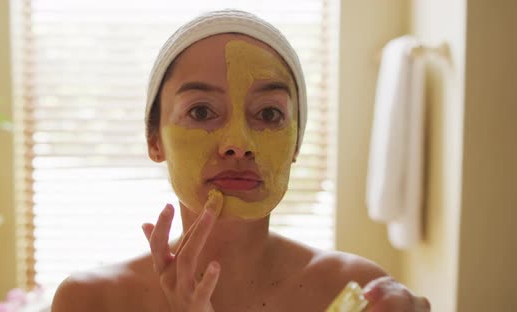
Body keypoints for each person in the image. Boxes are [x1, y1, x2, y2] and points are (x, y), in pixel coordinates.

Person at [51, 10, 430, 311]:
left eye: (268, 114)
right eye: (201, 112)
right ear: (154, 140)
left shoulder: (355, 294)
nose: (237, 144)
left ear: (296, 142)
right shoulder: (90, 302)